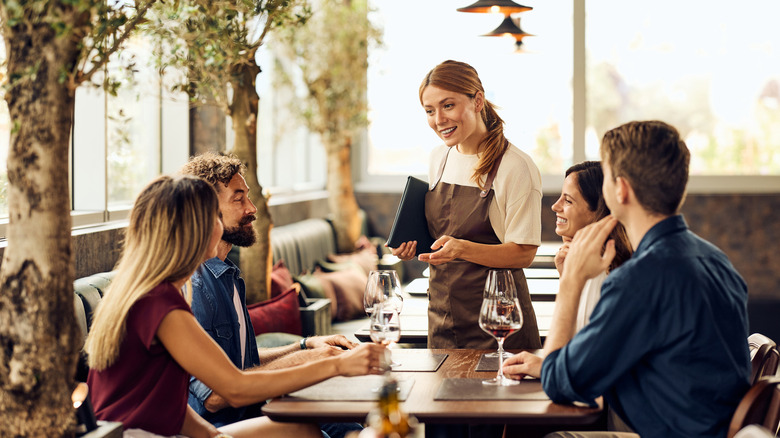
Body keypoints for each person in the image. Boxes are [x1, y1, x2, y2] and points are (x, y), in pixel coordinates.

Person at [85, 174, 384, 438]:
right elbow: (234, 388)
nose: (219, 224)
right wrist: (337, 364)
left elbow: (162, 397)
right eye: (214, 216)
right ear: (193, 229)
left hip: (144, 431)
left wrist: (212, 436)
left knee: (301, 427)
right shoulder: (161, 304)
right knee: (301, 430)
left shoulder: (150, 291)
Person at [503, 121, 751, 438]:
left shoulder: (639, 278)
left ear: (620, 189)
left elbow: (561, 383)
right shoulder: (717, 261)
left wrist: (570, 284)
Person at [180, 152, 362, 438]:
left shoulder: (228, 275)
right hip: (220, 426)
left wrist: (304, 346)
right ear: (206, 211)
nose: (252, 208)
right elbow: (214, 396)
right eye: (238, 199)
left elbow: (241, 362)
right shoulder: (196, 288)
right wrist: (313, 362)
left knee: (349, 424)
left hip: (253, 410)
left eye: (248, 197)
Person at [390, 60, 542, 351]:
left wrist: (462, 249)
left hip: (500, 323)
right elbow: (442, 233)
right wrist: (414, 245)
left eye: (448, 105)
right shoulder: (440, 157)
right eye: (430, 111)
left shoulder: (515, 166)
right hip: (442, 319)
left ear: (478, 101)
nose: (439, 120)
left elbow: (523, 253)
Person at [551, 161, 631, 332]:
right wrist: (566, 278)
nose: (555, 206)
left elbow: (584, 351)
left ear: (599, 211)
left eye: (568, 201)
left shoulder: (604, 273)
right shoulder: (585, 264)